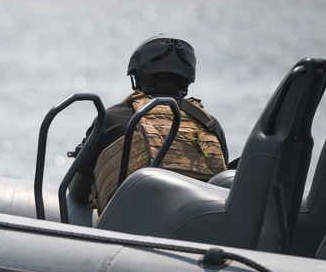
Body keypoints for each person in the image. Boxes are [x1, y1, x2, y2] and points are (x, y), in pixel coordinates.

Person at [68, 35, 229, 212]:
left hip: (128, 227)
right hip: (200, 231)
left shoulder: (112, 118)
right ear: (187, 80)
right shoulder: (210, 125)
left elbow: (78, 192)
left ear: (137, 76)